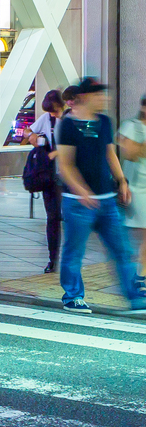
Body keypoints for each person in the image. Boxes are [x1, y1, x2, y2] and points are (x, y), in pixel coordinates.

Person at [54, 77, 146, 313]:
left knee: (122, 250)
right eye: (99, 95)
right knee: (75, 251)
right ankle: (72, 297)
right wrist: (81, 191)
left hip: (106, 201)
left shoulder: (104, 122)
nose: (105, 99)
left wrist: (121, 180)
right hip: (77, 203)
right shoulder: (68, 125)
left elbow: (110, 153)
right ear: (84, 98)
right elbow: (65, 165)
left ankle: (134, 297)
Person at [25, 88, 68, 273]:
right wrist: (31, 136)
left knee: (72, 217)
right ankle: (53, 258)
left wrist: (57, 152)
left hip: (71, 175)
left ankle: (69, 258)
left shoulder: (71, 119)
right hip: (51, 176)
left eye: (56, 110)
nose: (53, 114)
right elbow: (28, 132)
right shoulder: (46, 119)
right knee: (53, 218)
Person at [119, 93, 146, 271]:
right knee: (128, 235)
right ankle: (137, 273)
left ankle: (140, 274)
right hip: (136, 190)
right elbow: (128, 153)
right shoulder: (131, 126)